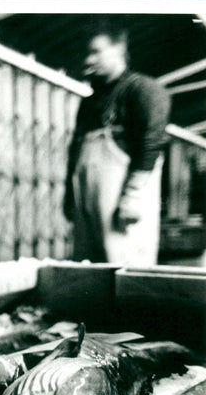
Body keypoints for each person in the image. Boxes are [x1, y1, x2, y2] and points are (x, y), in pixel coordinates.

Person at [65, 23, 170, 266]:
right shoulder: (89, 104)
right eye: (86, 53)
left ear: (119, 49)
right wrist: (69, 196)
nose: (89, 59)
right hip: (88, 205)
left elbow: (151, 143)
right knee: (88, 270)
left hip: (121, 207)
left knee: (125, 270)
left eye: (96, 51)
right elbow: (75, 151)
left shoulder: (144, 90)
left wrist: (132, 196)